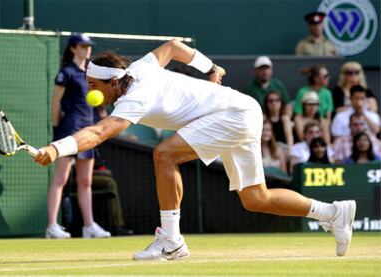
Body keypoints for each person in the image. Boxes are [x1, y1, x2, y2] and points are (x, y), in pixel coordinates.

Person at [34, 39, 356, 259]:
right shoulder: (141, 68)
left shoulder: (134, 97)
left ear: (112, 82)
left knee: (164, 154)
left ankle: (172, 242)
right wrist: (211, 67)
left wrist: (57, 148)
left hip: (233, 114)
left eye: (93, 86)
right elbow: (174, 46)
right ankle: (333, 213)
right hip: (241, 110)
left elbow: (100, 131)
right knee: (256, 198)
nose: (91, 93)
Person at [46, 33, 110, 239]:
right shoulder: (66, 73)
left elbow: (99, 105)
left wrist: (103, 117)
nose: (87, 49)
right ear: (73, 48)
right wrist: (56, 130)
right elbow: (56, 103)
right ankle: (52, 226)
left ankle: (89, 226)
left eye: (89, 46)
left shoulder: (91, 74)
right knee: (61, 178)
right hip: (68, 128)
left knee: (85, 181)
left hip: (89, 128)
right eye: (83, 46)